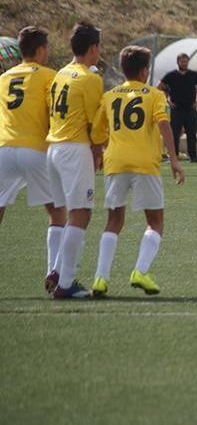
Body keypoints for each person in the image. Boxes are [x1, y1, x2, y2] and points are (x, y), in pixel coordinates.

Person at [90, 46, 185, 298]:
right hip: (145, 164)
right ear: (145, 71)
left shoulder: (109, 96)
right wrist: (174, 159)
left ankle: (100, 278)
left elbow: (98, 134)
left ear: (123, 70)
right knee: (155, 222)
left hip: (116, 163)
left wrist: (97, 155)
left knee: (113, 221)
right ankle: (140, 271)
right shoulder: (155, 95)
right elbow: (164, 125)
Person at [0, 26, 67, 292]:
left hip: (3, 149)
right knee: (56, 211)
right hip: (35, 149)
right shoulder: (50, 76)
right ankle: (55, 272)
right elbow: (56, 112)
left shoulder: (4, 77)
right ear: (40, 50)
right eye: (47, 49)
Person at [46, 21, 104, 298]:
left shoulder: (60, 73)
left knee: (65, 213)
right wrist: (99, 150)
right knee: (81, 213)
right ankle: (66, 283)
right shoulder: (90, 78)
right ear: (93, 48)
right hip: (74, 149)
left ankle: (56, 270)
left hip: (53, 148)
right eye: (99, 47)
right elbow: (97, 123)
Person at [157, 53, 197, 162]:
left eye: (186, 61)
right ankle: (174, 156)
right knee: (174, 134)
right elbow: (158, 88)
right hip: (176, 110)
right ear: (178, 62)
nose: (184, 63)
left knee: (192, 134)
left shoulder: (193, 75)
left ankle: (193, 156)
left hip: (190, 109)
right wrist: (167, 102)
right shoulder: (171, 75)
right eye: (182, 61)